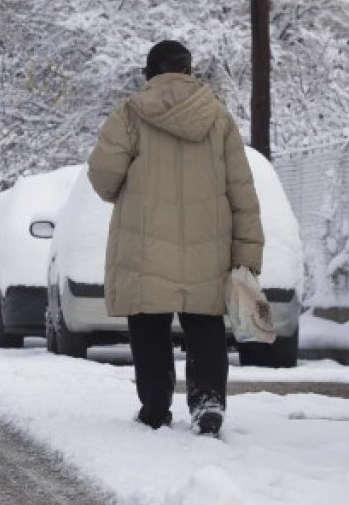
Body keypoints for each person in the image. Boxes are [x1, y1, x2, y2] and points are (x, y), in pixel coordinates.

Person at [86, 40, 264, 437]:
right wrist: (248, 253)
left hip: (145, 244)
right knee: (205, 324)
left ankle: (154, 406)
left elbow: (103, 179)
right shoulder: (218, 118)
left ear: (149, 73)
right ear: (189, 71)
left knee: (148, 324)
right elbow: (243, 192)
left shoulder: (130, 115)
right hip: (208, 246)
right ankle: (208, 403)